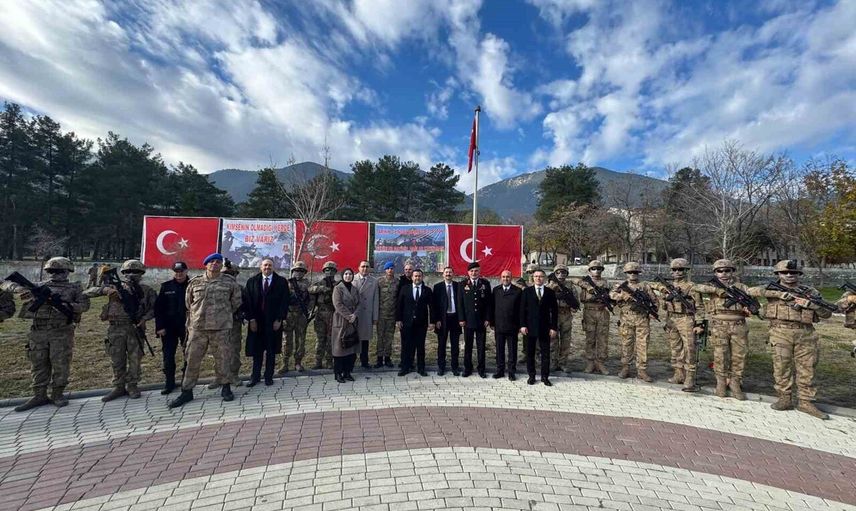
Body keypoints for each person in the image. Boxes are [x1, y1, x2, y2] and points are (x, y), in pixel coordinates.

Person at [3, 257, 89, 411]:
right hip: (38, 331)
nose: (55, 274)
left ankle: (57, 394)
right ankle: (39, 395)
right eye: (52, 271)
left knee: (60, 363)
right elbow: (5, 284)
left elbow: (84, 305)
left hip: (61, 331)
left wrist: (65, 305)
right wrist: (19, 290)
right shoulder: (38, 286)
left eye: (59, 271)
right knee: (38, 363)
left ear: (68, 271)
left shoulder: (75, 288)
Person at [753, 260, 833, 419]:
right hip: (780, 332)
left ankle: (806, 402)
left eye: (793, 272)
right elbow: (751, 291)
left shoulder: (810, 291)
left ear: (799, 274)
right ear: (778, 274)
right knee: (781, 367)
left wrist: (812, 305)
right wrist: (779, 294)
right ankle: (784, 398)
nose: (789, 275)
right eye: (785, 272)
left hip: (805, 333)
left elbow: (827, 314)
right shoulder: (770, 289)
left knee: (807, 369)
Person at [168, 253, 242, 408]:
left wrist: (221, 315)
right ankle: (187, 391)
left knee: (224, 359)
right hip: (198, 328)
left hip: (221, 328)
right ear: (206, 264)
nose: (215, 264)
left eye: (218, 262)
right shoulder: (195, 282)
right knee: (192, 360)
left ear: (221, 265)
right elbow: (189, 303)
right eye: (211, 261)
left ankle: (226, 387)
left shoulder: (230, 282)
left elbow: (235, 303)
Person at [85, 259, 157, 402]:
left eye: (136, 272)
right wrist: (104, 290)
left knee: (135, 359)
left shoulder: (147, 290)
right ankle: (118, 386)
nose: (132, 274)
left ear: (141, 273)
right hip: (116, 328)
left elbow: (155, 309)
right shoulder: (114, 286)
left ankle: (132, 385)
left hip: (135, 328)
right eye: (128, 271)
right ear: (123, 273)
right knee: (117, 359)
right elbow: (87, 292)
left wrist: (144, 319)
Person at [692, 259, 759, 400]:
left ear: (732, 271)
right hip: (719, 325)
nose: (723, 273)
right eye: (719, 271)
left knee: (739, 356)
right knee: (720, 355)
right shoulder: (711, 286)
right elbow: (696, 288)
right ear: (715, 273)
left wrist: (750, 309)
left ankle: (735, 383)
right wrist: (717, 291)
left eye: (727, 270)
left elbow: (754, 305)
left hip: (738, 325)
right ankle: (721, 383)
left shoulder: (742, 287)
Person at [649, 258, 705, 392]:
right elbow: (651, 285)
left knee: (689, 348)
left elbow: (699, 306)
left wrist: (699, 323)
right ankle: (678, 374)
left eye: (681, 269)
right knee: (675, 348)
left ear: (686, 271)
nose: (677, 272)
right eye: (674, 269)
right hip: (671, 318)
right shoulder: (667, 287)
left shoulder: (691, 287)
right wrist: (661, 289)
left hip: (686, 318)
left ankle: (689, 377)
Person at [609, 262, 659, 382]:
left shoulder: (644, 286)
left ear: (638, 273)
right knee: (626, 344)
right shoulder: (621, 286)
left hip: (642, 319)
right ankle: (625, 368)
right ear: (626, 273)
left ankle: (642, 370)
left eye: (635, 272)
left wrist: (653, 311)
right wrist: (622, 296)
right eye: (630, 272)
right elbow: (611, 295)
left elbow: (655, 301)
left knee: (643, 345)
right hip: (626, 319)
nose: (632, 274)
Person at [244, 258, 289, 386]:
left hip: (273, 322)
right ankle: (255, 376)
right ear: (260, 267)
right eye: (265, 265)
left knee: (271, 350)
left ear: (273, 267)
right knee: (257, 350)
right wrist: (251, 319)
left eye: (270, 265)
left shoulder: (281, 282)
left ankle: (269, 376)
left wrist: (279, 319)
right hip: (256, 321)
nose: (267, 267)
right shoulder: (252, 281)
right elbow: (247, 301)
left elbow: (284, 301)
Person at [154, 261, 190, 395]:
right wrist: (159, 327)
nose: (179, 274)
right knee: (168, 356)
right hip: (169, 328)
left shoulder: (193, 285)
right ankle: (169, 383)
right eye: (176, 271)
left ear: (186, 271)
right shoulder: (166, 286)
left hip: (188, 326)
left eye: (181, 271)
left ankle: (186, 382)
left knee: (189, 355)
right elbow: (159, 308)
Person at [570, 260, 611, 374]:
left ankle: (600, 362)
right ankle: (590, 362)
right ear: (589, 270)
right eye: (593, 269)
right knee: (590, 338)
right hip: (589, 312)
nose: (596, 271)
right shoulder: (585, 282)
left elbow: (613, 295)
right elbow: (573, 280)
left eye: (599, 269)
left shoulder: (606, 283)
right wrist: (587, 286)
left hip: (602, 312)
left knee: (602, 339)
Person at [519, 269, 558, 386]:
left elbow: (554, 312)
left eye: (540, 276)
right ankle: (531, 376)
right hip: (529, 327)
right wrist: (522, 325)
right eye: (536, 276)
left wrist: (553, 327)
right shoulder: (527, 291)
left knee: (545, 354)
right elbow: (522, 310)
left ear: (544, 278)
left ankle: (545, 377)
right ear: (533, 278)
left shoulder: (550, 292)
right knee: (530, 353)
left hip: (545, 328)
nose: (538, 278)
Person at [457, 261, 492, 378]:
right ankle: (468, 368)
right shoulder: (462, 284)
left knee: (481, 346)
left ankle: (481, 369)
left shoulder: (485, 283)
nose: (474, 273)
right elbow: (460, 303)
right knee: (468, 346)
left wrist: (487, 318)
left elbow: (488, 303)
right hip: (468, 321)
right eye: (471, 271)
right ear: (468, 272)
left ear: (479, 271)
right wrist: (461, 318)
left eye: (476, 270)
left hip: (481, 321)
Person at [396, 268, 433, 376]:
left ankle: (421, 368)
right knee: (406, 346)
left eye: (419, 276)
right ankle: (405, 367)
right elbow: (399, 305)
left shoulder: (427, 290)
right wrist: (398, 319)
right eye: (415, 276)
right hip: (407, 323)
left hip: (421, 323)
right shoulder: (405, 289)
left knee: (420, 346)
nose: (417, 278)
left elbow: (432, 307)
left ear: (422, 277)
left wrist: (432, 322)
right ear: (412, 277)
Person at [278, 261, 310, 374]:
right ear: (293, 271)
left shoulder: (308, 284)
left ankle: (298, 362)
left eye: (301, 271)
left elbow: (311, 299)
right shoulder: (287, 283)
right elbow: (281, 300)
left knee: (300, 341)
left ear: (304, 273)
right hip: (289, 315)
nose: (298, 273)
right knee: (286, 341)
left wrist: (308, 311)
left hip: (301, 315)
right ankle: (285, 363)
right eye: (296, 271)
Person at [546, 265, 579, 373]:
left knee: (566, 340)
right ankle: (553, 363)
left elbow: (575, 302)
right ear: (554, 274)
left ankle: (563, 363)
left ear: (566, 274)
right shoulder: (549, 285)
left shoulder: (570, 286)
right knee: (552, 340)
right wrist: (552, 288)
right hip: (553, 315)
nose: (561, 275)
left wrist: (573, 305)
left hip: (566, 315)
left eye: (563, 272)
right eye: (558, 272)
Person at [491, 270, 521, 380]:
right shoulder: (496, 290)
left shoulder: (518, 291)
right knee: (499, 350)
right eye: (503, 277)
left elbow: (520, 310)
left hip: (512, 326)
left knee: (512, 351)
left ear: (511, 278)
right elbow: (492, 307)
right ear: (501, 278)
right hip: (499, 325)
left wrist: (520, 325)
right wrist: (492, 322)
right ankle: (500, 371)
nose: (505, 279)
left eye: (507, 277)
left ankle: (511, 372)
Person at [332, 268, 361, 383]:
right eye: (346, 274)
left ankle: (348, 372)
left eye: (350, 274)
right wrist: (349, 316)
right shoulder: (338, 288)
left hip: (353, 321)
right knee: (339, 348)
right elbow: (338, 305)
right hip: (341, 320)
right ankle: (338, 373)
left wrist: (355, 314)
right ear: (342, 275)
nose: (348, 276)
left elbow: (359, 304)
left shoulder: (355, 289)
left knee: (351, 347)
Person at [222, 259, 247, 387]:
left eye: (231, 274)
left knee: (234, 350)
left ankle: (233, 375)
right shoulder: (216, 287)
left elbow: (246, 305)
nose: (228, 276)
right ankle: (220, 376)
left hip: (234, 323)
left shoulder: (240, 289)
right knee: (219, 350)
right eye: (225, 274)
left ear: (236, 275)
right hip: (218, 324)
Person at [432, 266, 461, 376]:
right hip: (442, 320)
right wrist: (436, 320)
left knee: (455, 345)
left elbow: (461, 303)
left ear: (453, 274)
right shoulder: (437, 287)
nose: (448, 274)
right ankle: (441, 367)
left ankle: (455, 367)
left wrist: (461, 318)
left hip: (455, 319)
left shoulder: (458, 286)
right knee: (441, 345)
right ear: (443, 274)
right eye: (446, 272)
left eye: (450, 272)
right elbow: (434, 306)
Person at [309, 261, 337, 369]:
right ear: (324, 271)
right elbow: (310, 289)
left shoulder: (337, 284)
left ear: (335, 271)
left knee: (330, 339)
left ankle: (329, 361)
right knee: (320, 338)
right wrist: (322, 288)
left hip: (332, 313)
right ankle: (318, 361)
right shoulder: (319, 283)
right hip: (320, 313)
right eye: (327, 270)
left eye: (331, 270)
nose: (329, 272)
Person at [353, 261, 379, 369]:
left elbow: (376, 300)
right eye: (363, 266)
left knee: (365, 340)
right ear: (358, 268)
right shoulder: (352, 279)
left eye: (367, 267)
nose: (365, 268)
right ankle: (351, 361)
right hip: (355, 314)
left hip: (367, 314)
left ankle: (364, 361)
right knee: (353, 338)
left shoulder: (374, 281)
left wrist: (375, 317)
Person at [375, 261, 397, 368]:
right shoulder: (379, 282)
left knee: (389, 338)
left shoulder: (397, 282)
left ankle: (387, 358)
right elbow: (375, 298)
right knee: (380, 337)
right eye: (388, 268)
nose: (390, 270)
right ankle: (379, 359)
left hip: (392, 315)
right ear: (385, 270)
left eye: (391, 268)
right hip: (381, 315)